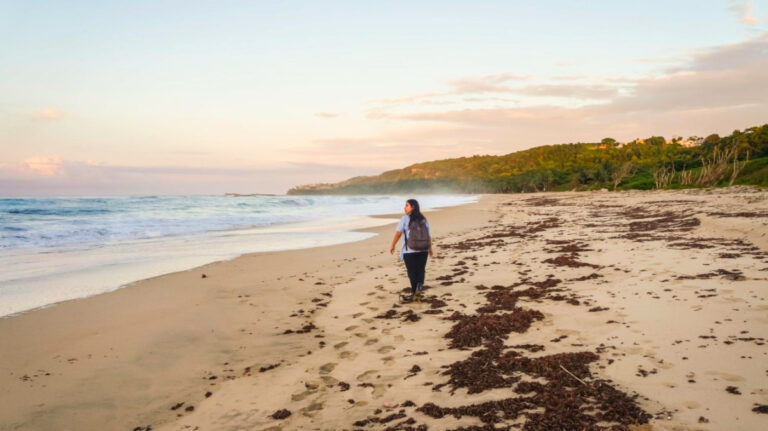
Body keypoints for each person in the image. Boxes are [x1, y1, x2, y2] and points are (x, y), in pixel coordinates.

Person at [389, 199, 434, 302]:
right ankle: (419, 287)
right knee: (421, 270)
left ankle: (414, 294)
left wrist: (393, 245)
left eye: (407, 205)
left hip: (410, 250)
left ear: (412, 207)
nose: (404, 208)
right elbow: (428, 234)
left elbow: (398, 233)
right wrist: (430, 248)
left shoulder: (404, 219)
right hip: (423, 249)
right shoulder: (423, 219)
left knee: (412, 273)